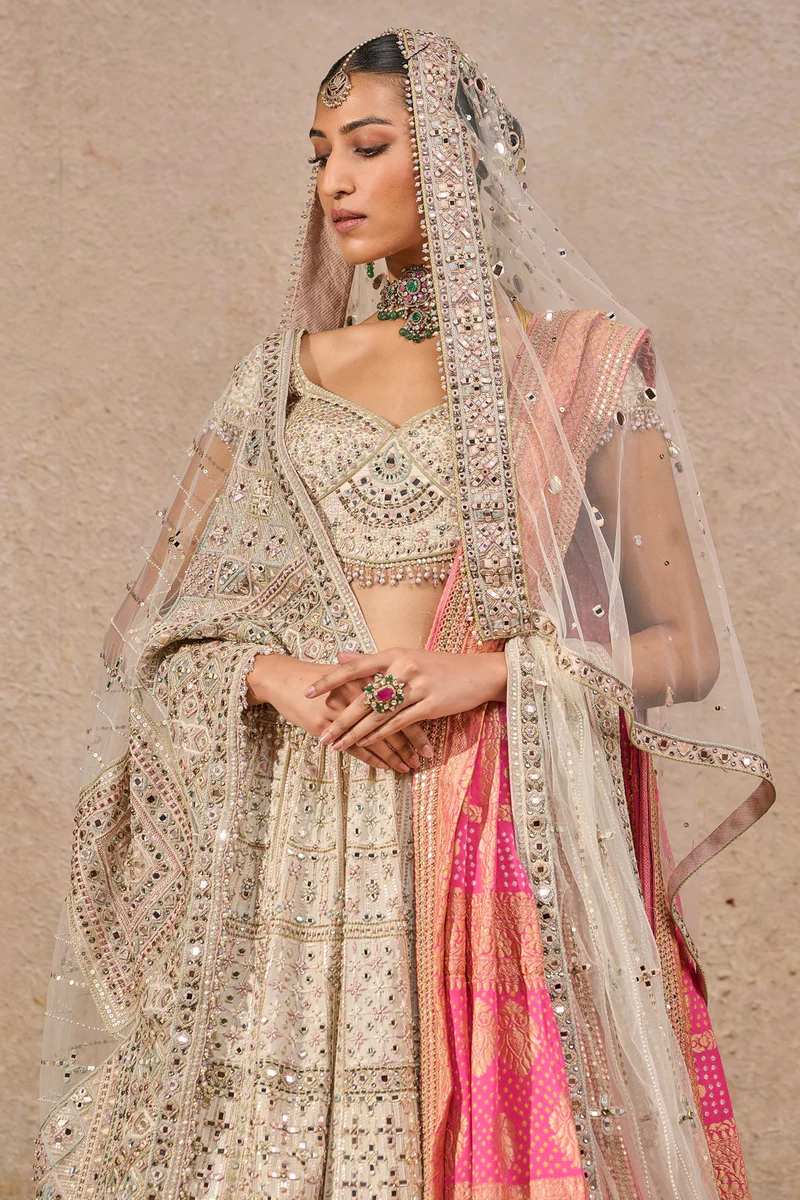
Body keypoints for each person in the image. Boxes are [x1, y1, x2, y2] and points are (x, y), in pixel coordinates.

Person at [34, 27, 774, 1200]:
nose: (332, 179)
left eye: (367, 146)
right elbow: (151, 637)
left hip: (495, 814)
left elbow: (680, 651)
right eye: (319, 152)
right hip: (294, 835)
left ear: (456, 159)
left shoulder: (580, 368)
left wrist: (487, 671)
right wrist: (269, 677)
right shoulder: (277, 377)